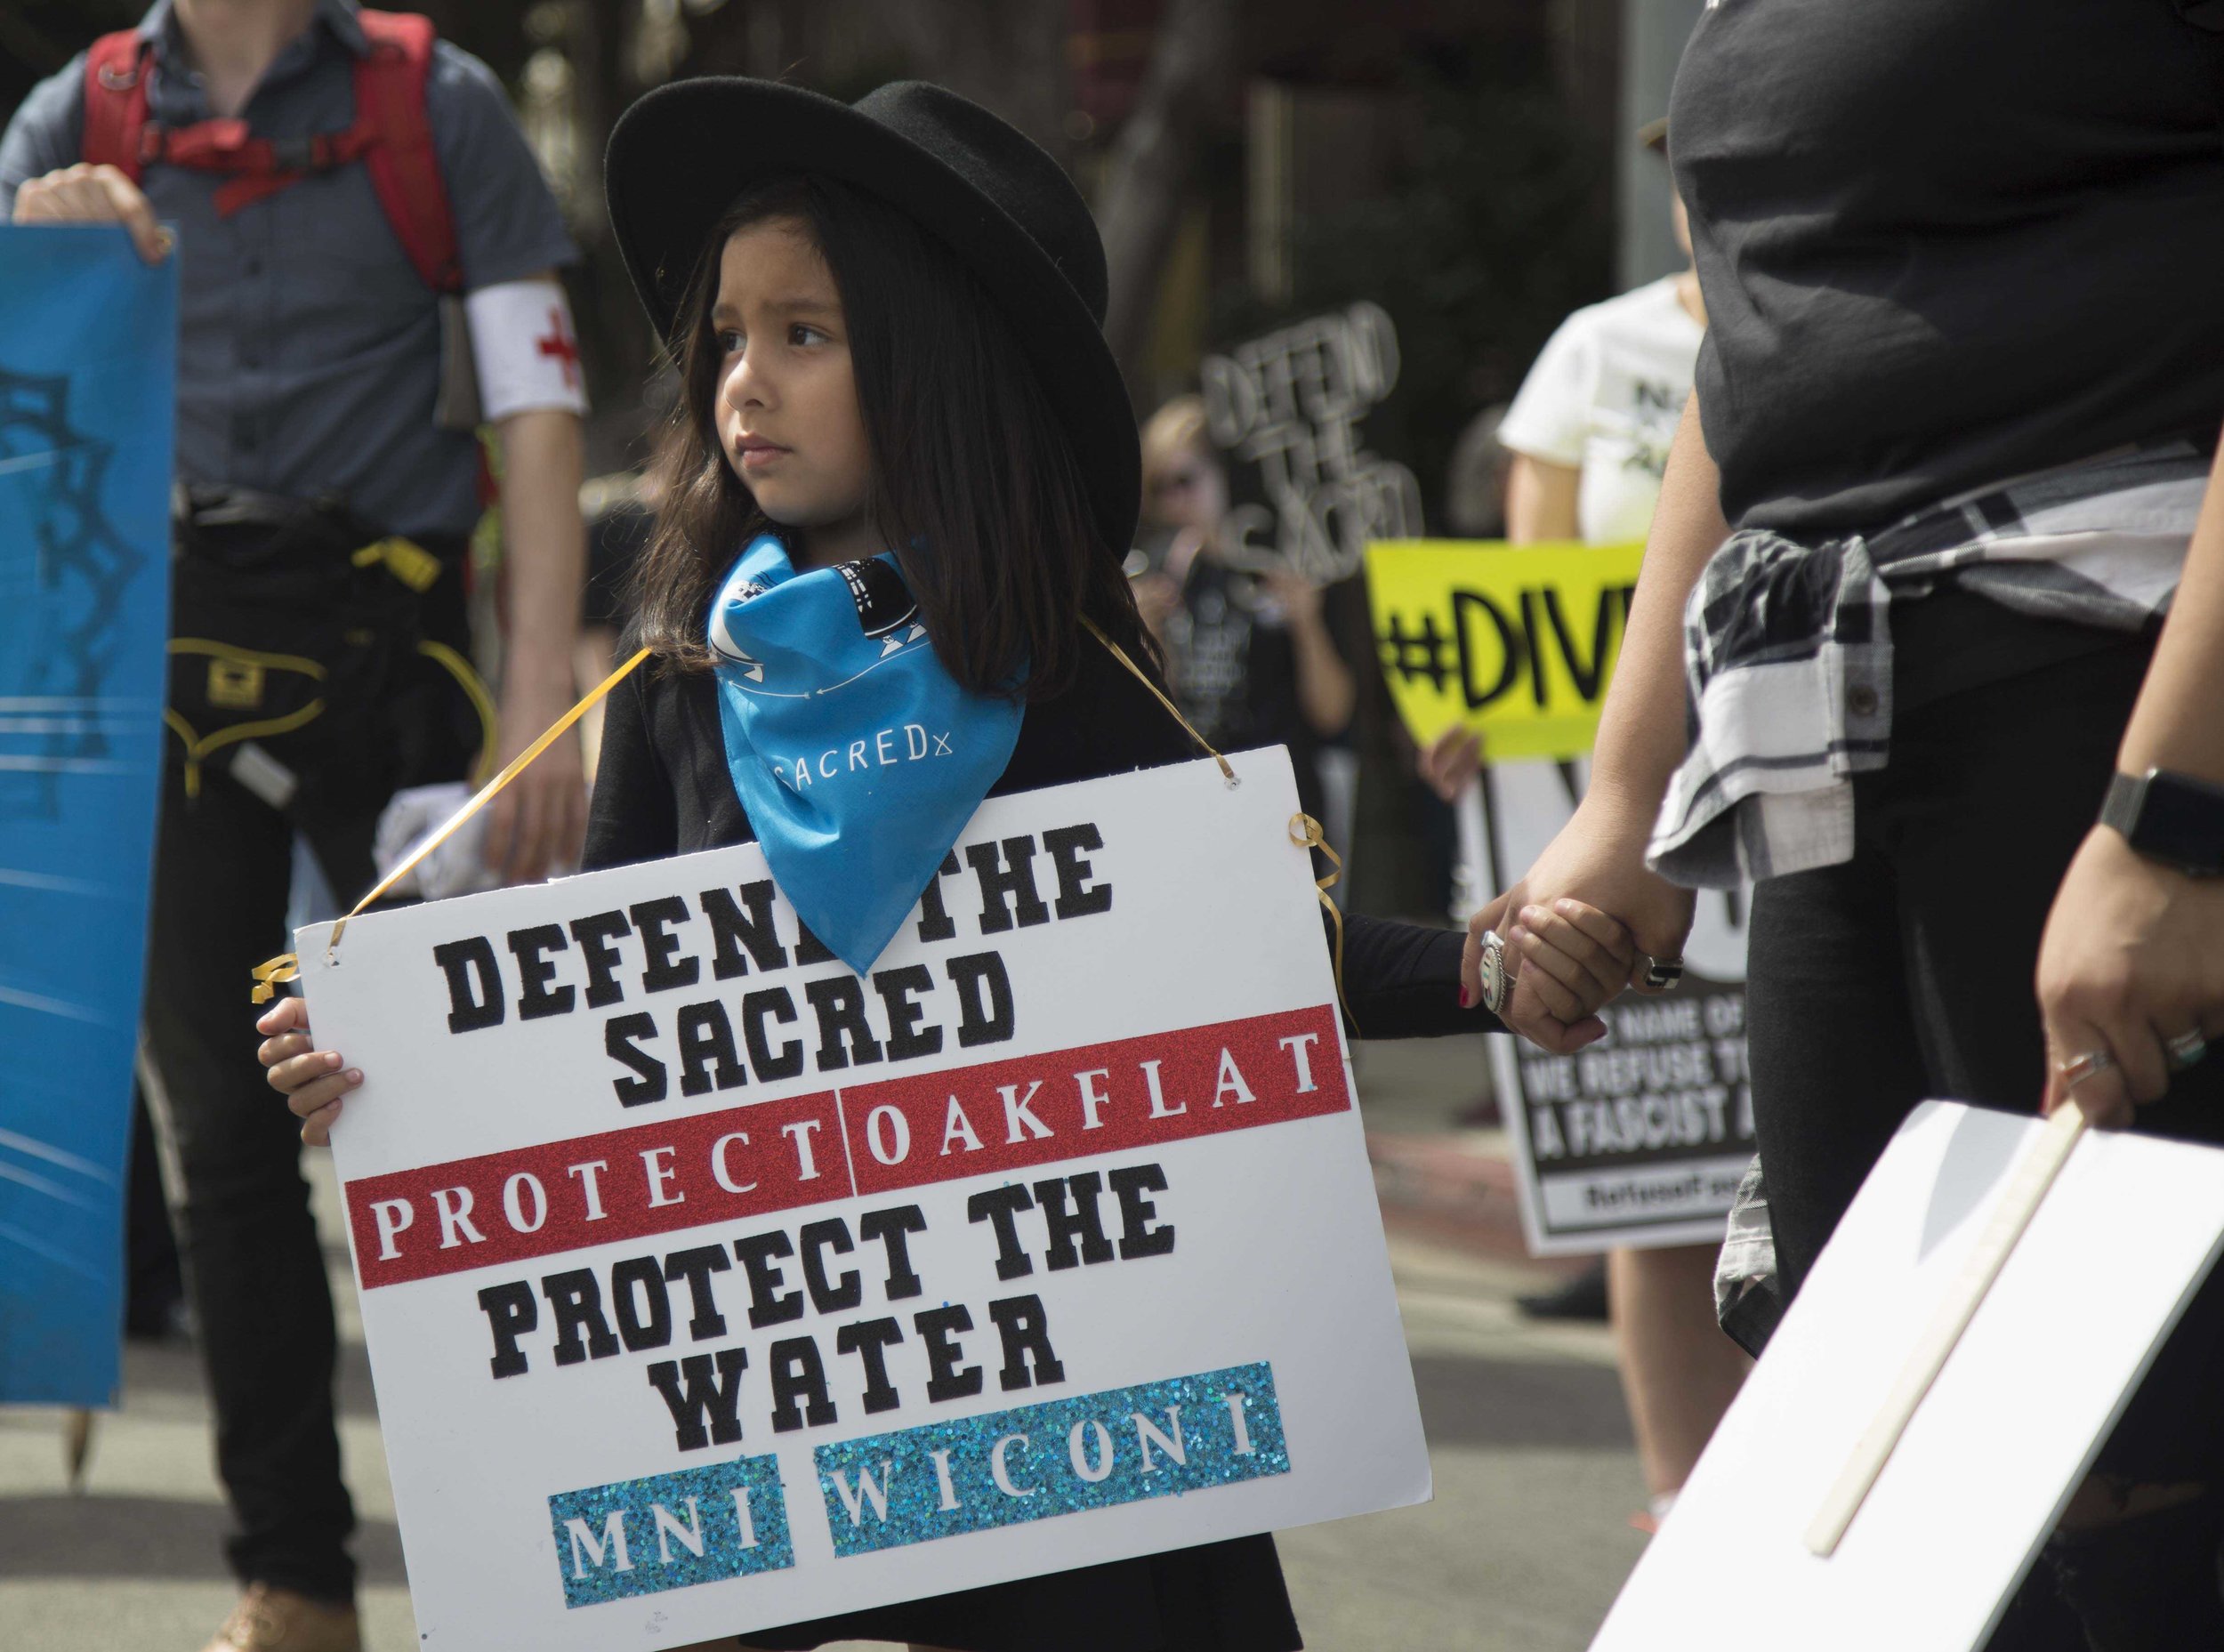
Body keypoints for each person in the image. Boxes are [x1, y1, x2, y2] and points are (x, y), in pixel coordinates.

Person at [256, 76, 1640, 1652]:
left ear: (931, 371)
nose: (741, 383)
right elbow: (590, 1030)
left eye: (804, 335)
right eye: (725, 337)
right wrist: (385, 1070)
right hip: (767, 1410)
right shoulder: (676, 687)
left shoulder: (1067, 669)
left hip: (1050, 1419)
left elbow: (1247, 945)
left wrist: (1478, 970)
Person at [1468, 4, 2224, 1643]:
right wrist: (1622, 792)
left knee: (2114, 1439)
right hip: (1833, 741)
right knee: (1882, 1429)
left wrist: (2176, 817)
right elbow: (1751, 363)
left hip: (2102, 699)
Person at [1, 4, 587, 1648]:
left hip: (393, 679)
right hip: (162, 681)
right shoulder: (78, 114)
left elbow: (537, 407)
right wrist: (32, 253)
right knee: (226, 1142)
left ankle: (568, 1545)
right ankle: (295, 1585)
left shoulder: (439, 105)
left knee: (478, 1118)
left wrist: (540, 696)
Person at [1422, 127, 1748, 1526]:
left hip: (1782, 774)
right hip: (1617, 789)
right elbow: (1528, 594)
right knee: (1653, 1162)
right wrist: (1483, 721)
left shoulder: (1830, 313)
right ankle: (1683, 1495)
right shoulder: (1592, 350)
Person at [1132, 395, 1358, 826]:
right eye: (1159, 488)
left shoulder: (1277, 565)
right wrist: (1146, 639)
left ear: (1224, 475)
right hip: (1199, 803)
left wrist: (1307, 622)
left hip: (1282, 803)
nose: (1174, 502)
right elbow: (1158, 723)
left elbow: (1332, 713)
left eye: (1185, 480)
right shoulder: (1158, 577)